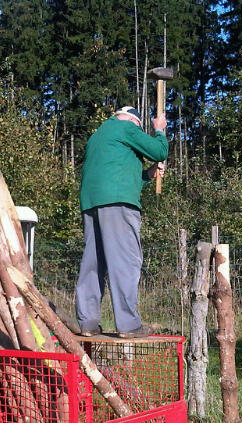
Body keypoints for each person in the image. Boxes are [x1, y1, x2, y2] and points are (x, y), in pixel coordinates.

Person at [75, 106, 168, 338]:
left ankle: (87, 322)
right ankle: (128, 325)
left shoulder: (98, 135)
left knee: (92, 263)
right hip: (118, 203)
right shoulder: (126, 127)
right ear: (132, 120)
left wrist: (148, 174)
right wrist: (159, 131)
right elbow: (159, 151)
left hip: (91, 203)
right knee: (125, 262)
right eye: (139, 126)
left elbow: (120, 173)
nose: (138, 129)